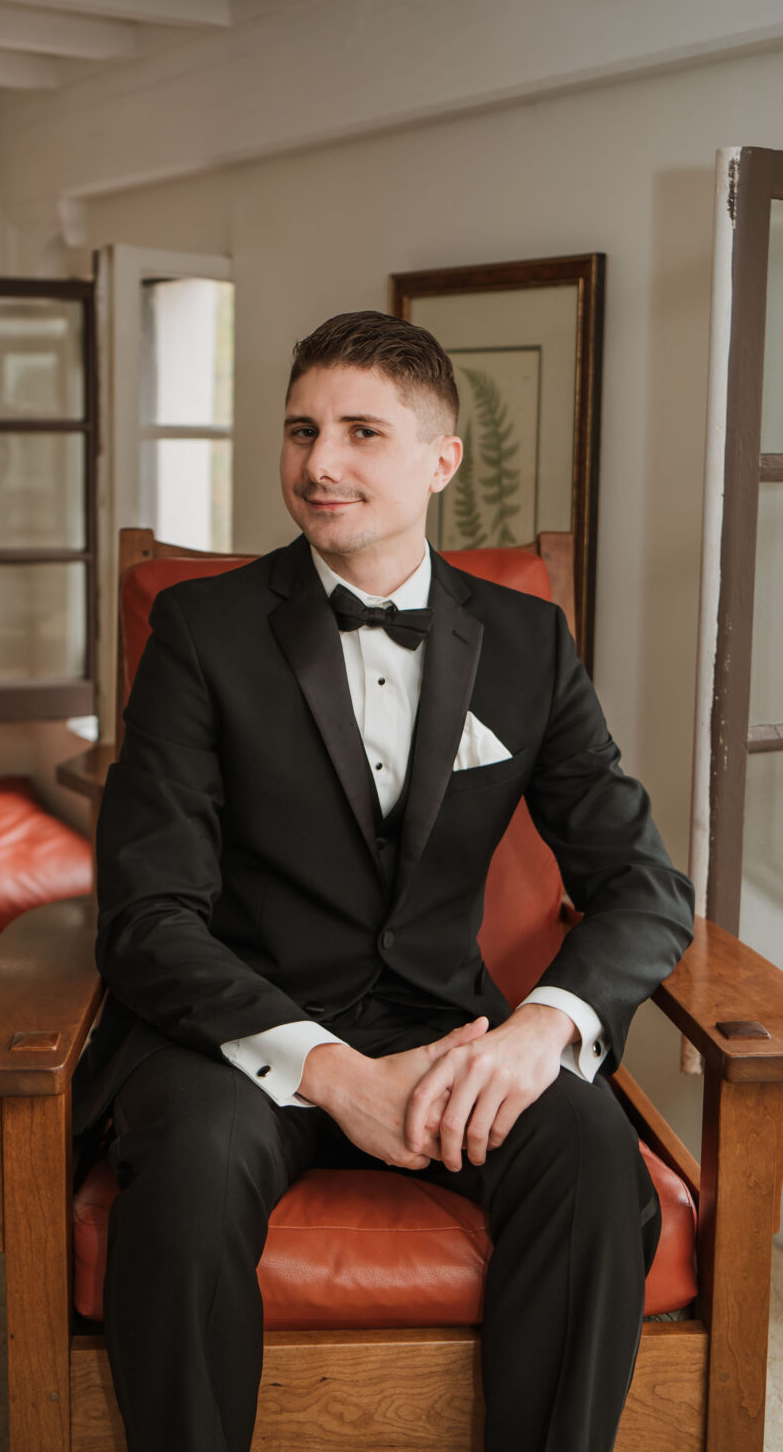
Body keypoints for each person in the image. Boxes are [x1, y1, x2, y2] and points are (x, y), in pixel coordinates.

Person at [74, 309, 695, 1452]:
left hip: (444, 1023)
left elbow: (642, 882)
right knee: (193, 1173)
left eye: (362, 432)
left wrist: (538, 1033)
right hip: (233, 1030)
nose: (320, 463)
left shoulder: (528, 640)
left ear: (441, 459)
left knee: (591, 1155)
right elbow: (147, 914)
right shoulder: (200, 630)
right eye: (301, 430)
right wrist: (332, 1073)